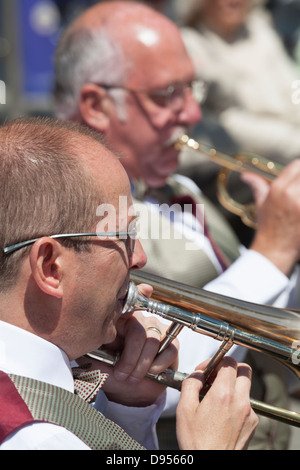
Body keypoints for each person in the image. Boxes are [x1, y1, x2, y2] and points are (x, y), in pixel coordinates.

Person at [53, 1, 300, 448]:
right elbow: (150, 364)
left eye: (193, 89)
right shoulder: (71, 218)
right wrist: (273, 251)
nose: (191, 114)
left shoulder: (176, 184)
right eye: (167, 94)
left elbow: (271, 318)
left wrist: (288, 248)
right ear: (96, 104)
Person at [0, 116, 258, 450]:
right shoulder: (37, 437)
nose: (140, 257)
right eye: (124, 235)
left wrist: (130, 409)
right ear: (51, 266)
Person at [178, 0, 300, 234]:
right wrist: (294, 141)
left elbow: (292, 90)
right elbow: (226, 123)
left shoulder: (260, 33)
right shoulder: (190, 43)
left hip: (284, 144)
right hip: (228, 163)